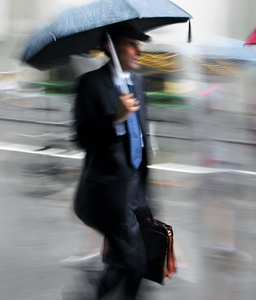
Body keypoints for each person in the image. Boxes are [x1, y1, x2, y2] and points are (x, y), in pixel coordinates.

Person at [72, 22, 153, 300]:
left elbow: (141, 139)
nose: (139, 51)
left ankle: (95, 295)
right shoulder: (90, 84)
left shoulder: (138, 83)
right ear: (111, 46)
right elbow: (82, 138)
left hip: (135, 192)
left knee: (127, 261)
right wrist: (115, 119)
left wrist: (145, 197)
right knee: (136, 261)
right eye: (132, 44)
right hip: (106, 194)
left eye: (140, 45)